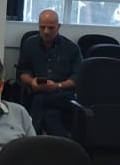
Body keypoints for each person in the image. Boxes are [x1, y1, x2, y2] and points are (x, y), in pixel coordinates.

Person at [15, 9, 82, 138]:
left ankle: (31, 139)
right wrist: (31, 81)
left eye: (51, 28)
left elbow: (77, 77)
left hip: (63, 94)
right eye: (42, 27)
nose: (46, 31)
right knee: (51, 116)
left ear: (58, 27)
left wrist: (57, 86)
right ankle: (64, 145)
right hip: (37, 90)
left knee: (40, 100)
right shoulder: (30, 44)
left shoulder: (71, 48)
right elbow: (22, 72)